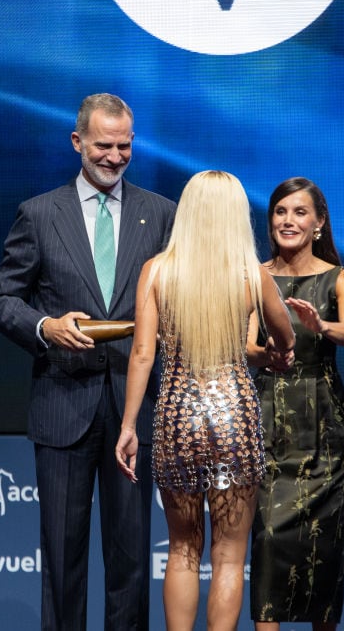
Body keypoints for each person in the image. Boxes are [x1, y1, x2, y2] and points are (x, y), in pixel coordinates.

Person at [0, 93, 176, 630]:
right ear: (77, 143)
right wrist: (46, 328)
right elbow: (1, 301)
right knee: (63, 561)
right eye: (103, 146)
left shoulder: (161, 214)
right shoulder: (40, 214)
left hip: (134, 411)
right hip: (63, 407)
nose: (114, 157)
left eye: (124, 146)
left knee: (132, 559)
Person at [115, 170, 296, 631]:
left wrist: (128, 426)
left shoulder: (158, 271)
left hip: (177, 418)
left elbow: (142, 352)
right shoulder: (251, 275)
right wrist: (278, 352)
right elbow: (285, 336)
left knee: (181, 550)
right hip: (234, 418)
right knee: (230, 557)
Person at [246, 177, 344, 630]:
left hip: (327, 433)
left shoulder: (340, 277)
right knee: (269, 542)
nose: (288, 221)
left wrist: (321, 325)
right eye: (280, 212)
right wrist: (268, 352)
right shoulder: (254, 274)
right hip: (268, 421)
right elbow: (244, 344)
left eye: (299, 212)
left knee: (326, 555)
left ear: (318, 223)